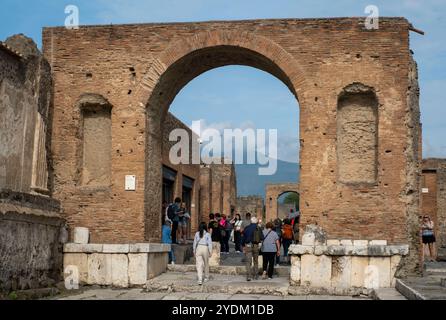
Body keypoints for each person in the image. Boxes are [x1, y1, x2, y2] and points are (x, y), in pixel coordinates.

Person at [241, 216, 264, 281]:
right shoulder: (258, 228)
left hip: (248, 245)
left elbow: (243, 238)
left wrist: (243, 246)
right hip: (256, 246)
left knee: (248, 262)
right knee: (255, 261)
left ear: (250, 221)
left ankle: (249, 276)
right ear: (256, 222)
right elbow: (262, 237)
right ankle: (256, 276)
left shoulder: (246, 228)